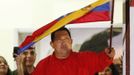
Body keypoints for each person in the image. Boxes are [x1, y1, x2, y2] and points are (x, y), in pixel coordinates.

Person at [32, 27, 115, 75]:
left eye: (66, 39)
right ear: (52, 44)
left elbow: (101, 61)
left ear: (71, 41)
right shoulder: (43, 66)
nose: (63, 42)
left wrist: (108, 55)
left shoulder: (84, 59)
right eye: (59, 40)